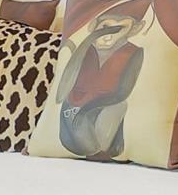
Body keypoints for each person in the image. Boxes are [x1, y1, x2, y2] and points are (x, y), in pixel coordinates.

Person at [55, 9, 147, 159]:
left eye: (119, 29)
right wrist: (88, 41)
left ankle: (102, 151)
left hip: (105, 107)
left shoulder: (133, 52)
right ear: (94, 26)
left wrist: (88, 109)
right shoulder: (84, 48)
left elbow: (123, 93)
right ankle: (93, 150)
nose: (108, 36)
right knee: (82, 138)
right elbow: (64, 88)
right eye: (105, 27)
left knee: (120, 106)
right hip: (74, 106)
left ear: (135, 29)